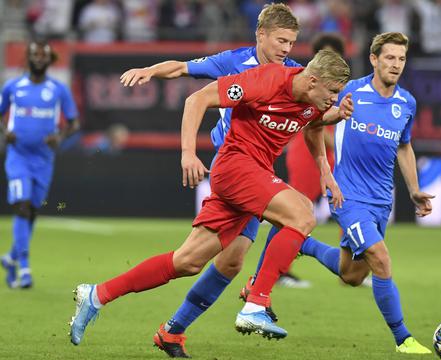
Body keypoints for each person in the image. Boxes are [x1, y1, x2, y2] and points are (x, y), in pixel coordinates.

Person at [69, 49, 351, 352]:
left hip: (253, 174)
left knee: (189, 261)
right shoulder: (265, 80)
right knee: (302, 214)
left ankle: (98, 295)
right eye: (333, 92)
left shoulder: (312, 99)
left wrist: (330, 148)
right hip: (236, 167)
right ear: (312, 81)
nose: (334, 98)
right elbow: (197, 99)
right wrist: (188, 153)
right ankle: (256, 303)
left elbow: (313, 123)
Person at [274, 32, 434, 354]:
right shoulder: (351, 91)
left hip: (380, 201)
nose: (396, 64)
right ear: (374, 59)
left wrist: (415, 190)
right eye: (389, 58)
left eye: (401, 59)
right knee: (381, 259)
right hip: (349, 197)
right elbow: (313, 125)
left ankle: (303, 244)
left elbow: (404, 146)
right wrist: (327, 161)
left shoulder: (406, 103)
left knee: (351, 274)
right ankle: (403, 337)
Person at [241, 32, 347, 294]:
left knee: (342, 209)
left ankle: (350, 267)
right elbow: (312, 125)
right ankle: (276, 272)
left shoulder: (334, 87)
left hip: (329, 155)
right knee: (294, 212)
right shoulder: (304, 84)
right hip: (307, 152)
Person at [0, 40, 80, 289]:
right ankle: (24, 266)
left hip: (44, 159)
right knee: (22, 207)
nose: (38, 58)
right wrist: (5, 131)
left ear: (49, 60)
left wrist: (60, 137)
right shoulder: (13, 87)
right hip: (18, 156)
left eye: (42, 55)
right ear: (28, 58)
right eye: (34, 54)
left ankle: (11, 258)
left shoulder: (58, 90)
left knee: (32, 210)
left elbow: (74, 122)